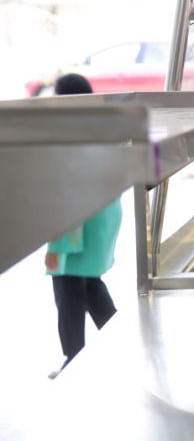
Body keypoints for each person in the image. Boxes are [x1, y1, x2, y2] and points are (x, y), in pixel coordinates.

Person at [46, 73, 122, 377]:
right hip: (100, 220)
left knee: (67, 291)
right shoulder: (98, 124)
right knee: (89, 285)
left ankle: (73, 359)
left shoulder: (69, 129)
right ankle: (120, 344)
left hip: (76, 225)